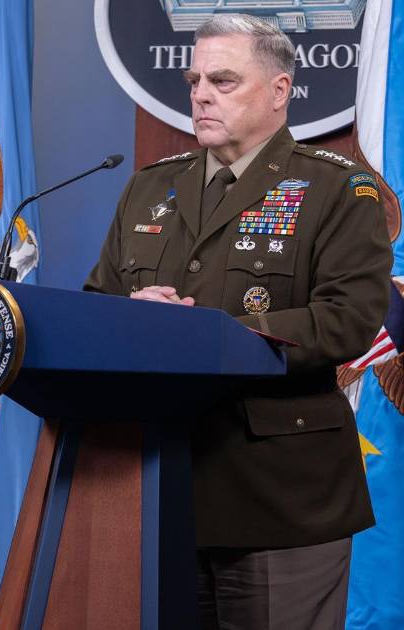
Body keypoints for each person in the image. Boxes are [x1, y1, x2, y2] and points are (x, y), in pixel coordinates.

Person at [84, 14, 391, 628]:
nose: (200, 94)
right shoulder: (149, 187)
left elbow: (348, 319)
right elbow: (96, 305)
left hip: (279, 496)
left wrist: (208, 334)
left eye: (222, 81)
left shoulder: (338, 189)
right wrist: (129, 317)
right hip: (158, 489)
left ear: (279, 91)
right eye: (195, 80)